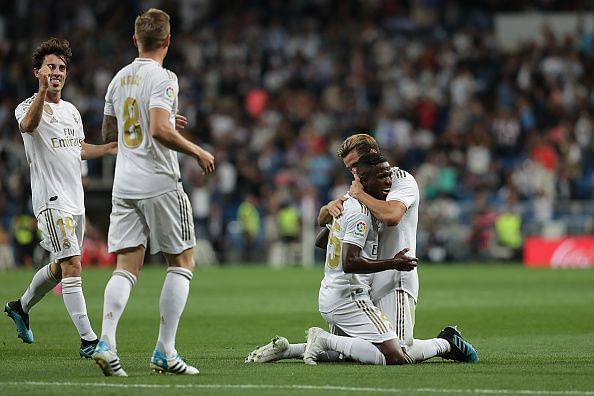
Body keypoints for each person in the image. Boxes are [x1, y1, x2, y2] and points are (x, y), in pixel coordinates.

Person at [247, 134, 477, 364]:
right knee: (351, 352)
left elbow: (391, 216)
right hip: (363, 281)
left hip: (394, 278)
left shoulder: (400, 180)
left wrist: (357, 195)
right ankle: (288, 349)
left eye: (357, 164)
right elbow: (323, 226)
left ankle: (447, 342)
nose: (355, 172)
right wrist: (330, 208)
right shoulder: (363, 188)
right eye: (351, 169)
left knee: (399, 353)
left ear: (373, 154)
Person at [91, 8, 215, 377]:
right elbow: (160, 131)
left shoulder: (118, 80)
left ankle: (106, 342)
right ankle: (164, 350)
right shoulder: (164, 78)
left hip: (124, 185)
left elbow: (109, 136)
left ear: (135, 40)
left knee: (126, 266)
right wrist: (196, 150)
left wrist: (150, 120)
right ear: (168, 41)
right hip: (159, 182)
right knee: (182, 262)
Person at [247, 153, 418, 365]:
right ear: (363, 180)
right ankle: (323, 339)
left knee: (348, 354)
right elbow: (350, 262)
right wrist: (394, 262)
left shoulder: (346, 204)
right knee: (395, 355)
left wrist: (333, 217)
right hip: (350, 295)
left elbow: (321, 241)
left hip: (332, 291)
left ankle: (290, 349)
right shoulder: (361, 210)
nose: (389, 180)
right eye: (382, 176)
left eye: (389, 175)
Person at [4, 38, 117, 359]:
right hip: (50, 200)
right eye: (51, 67)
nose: (57, 72)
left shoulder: (71, 111)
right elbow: (29, 126)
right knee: (72, 264)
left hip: (75, 200)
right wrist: (42, 92)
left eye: (62, 68)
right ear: (37, 71)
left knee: (58, 267)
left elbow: (78, 149)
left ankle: (20, 307)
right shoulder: (26, 106)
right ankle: (88, 340)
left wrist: (109, 148)